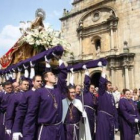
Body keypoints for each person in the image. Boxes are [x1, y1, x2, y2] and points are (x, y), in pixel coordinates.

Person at [13, 58, 67, 140]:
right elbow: (31, 113)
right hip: (46, 129)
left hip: (59, 128)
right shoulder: (39, 92)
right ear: (46, 79)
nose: (55, 76)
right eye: (51, 75)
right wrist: (19, 130)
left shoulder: (58, 90)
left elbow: (63, 77)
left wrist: (61, 63)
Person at [12, 75, 42, 140]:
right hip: (29, 126)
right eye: (38, 81)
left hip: (41, 126)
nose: (40, 83)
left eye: (41, 81)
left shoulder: (44, 93)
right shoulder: (27, 94)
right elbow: (20, 112)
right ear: (33, 82)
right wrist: (16, 129)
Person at [96, 67, 118, 140]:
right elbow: (101, 83)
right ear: (105, 86)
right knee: (103, 135)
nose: (111, 87)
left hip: (111, 119)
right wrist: (103, 70)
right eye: (109, 85)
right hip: (103, 118)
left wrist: (116, 124)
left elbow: (114, 110)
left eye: (111, 85)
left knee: (110, 136)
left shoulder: (111, 95)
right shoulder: (102, 93)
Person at [82, 65, 97, 140]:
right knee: (86, 128)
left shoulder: (94, 96)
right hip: (87, 112)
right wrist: (87, 73)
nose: (92, 89)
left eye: (93, 88)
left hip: (92, 114)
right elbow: (86, 84)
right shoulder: (86, 92)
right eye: (91, 88)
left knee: (92, 129)